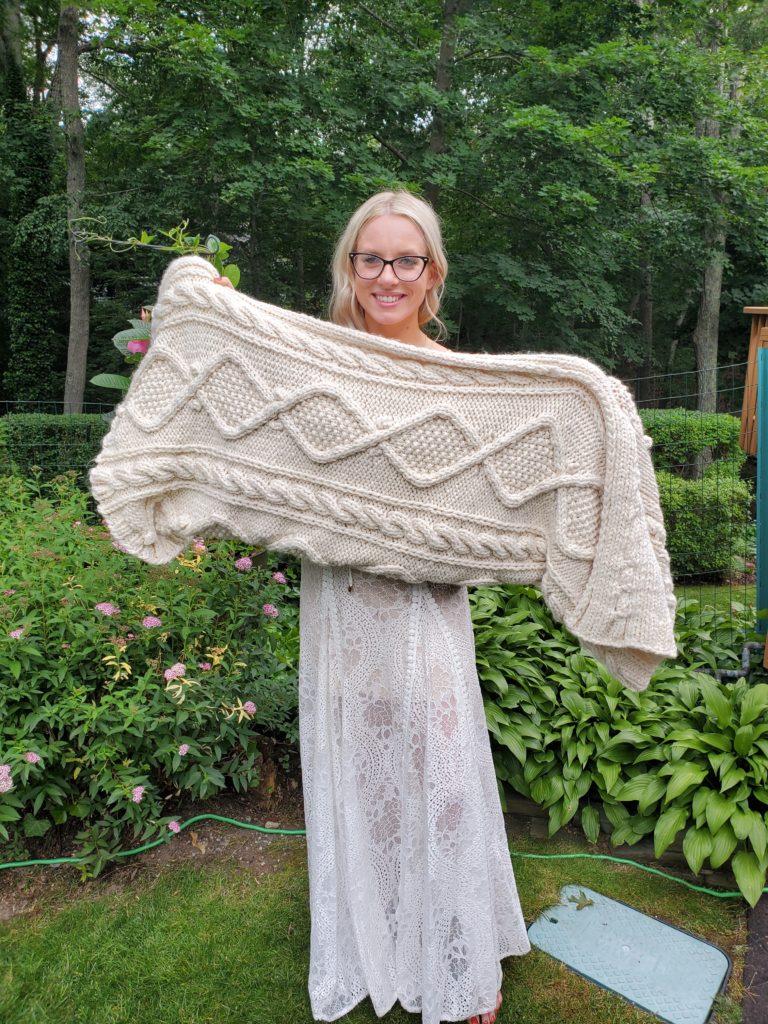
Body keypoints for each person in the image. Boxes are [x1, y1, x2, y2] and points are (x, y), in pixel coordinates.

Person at [214, 190, 530, 1024]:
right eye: (371, 259)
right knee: (361, 781)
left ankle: (462, 969)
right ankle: (376, 942)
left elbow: (479, 523)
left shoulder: (461, 382)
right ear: (349, 270)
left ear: (433, 276)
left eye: (406, 260)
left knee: (444, 783)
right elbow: (261, 468)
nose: (388, 276)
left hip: (424, 616)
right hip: (341, 613)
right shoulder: (314, 370)